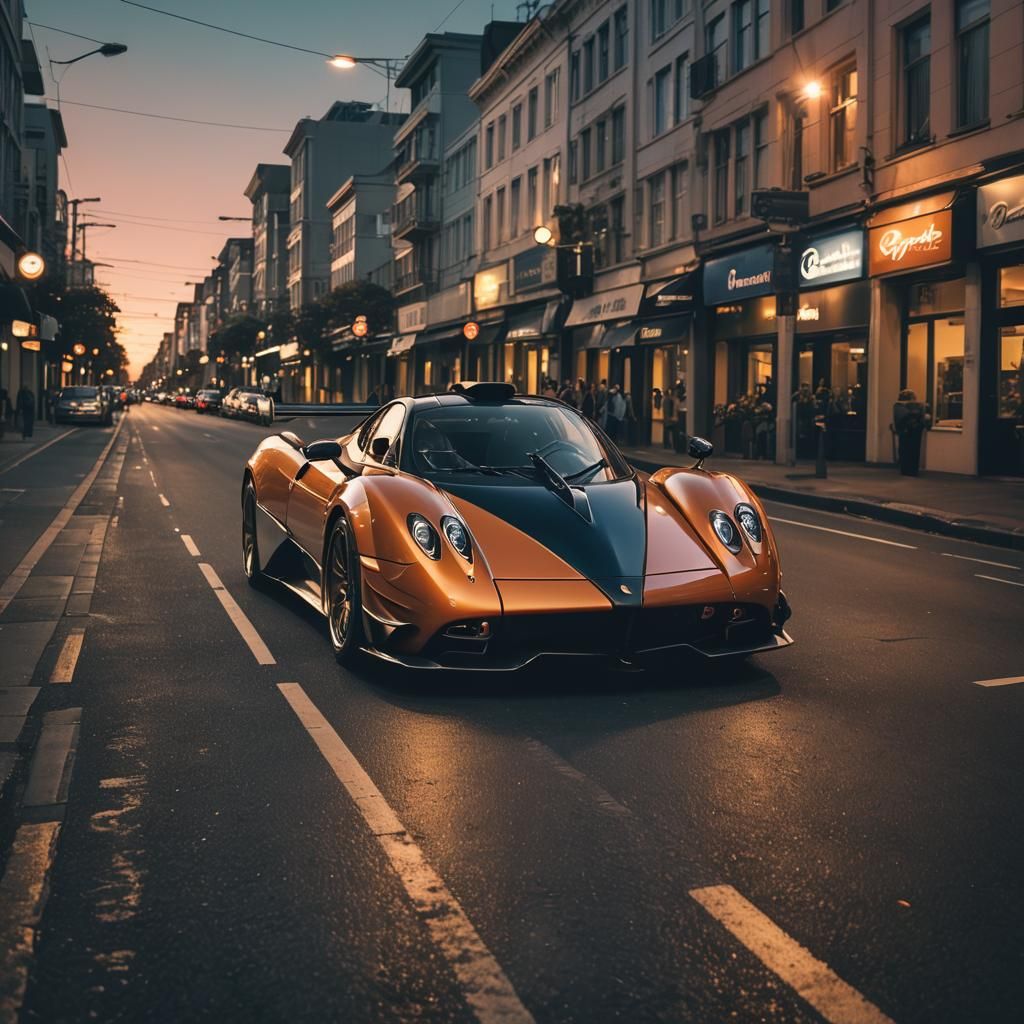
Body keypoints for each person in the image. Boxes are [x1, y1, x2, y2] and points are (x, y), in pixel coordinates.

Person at [893, 388, 930, 476]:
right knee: (911, 451)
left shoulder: (898, 406)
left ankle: (908, 469)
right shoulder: (900, 406)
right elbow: (911, 415)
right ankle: (910, 470)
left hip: (906, 431)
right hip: (909, 431)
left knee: (906, 451)